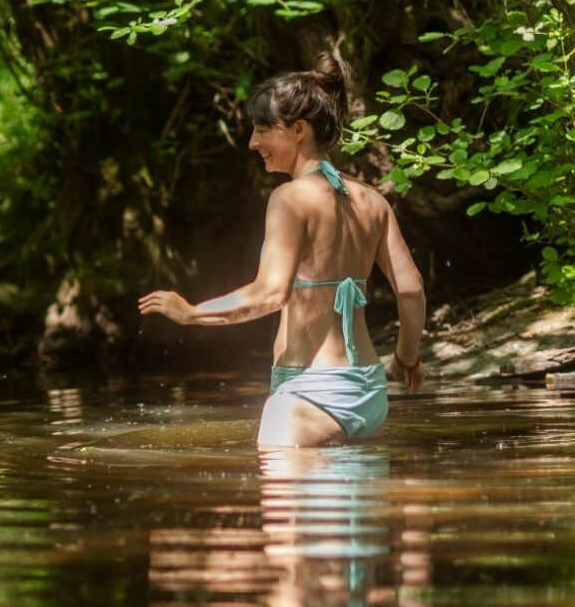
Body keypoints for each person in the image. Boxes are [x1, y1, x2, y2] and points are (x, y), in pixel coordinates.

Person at [138, 56, 426, 447]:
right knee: (348, 507)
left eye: (261, 130)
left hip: (312, 391)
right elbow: (410, 291)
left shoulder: (289, 199)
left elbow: (270, 295)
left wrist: (191, 313)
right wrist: (406, 358)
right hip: (369, 394)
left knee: (281, 504)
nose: (252, 143)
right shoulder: (372, 200)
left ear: (299, 130)